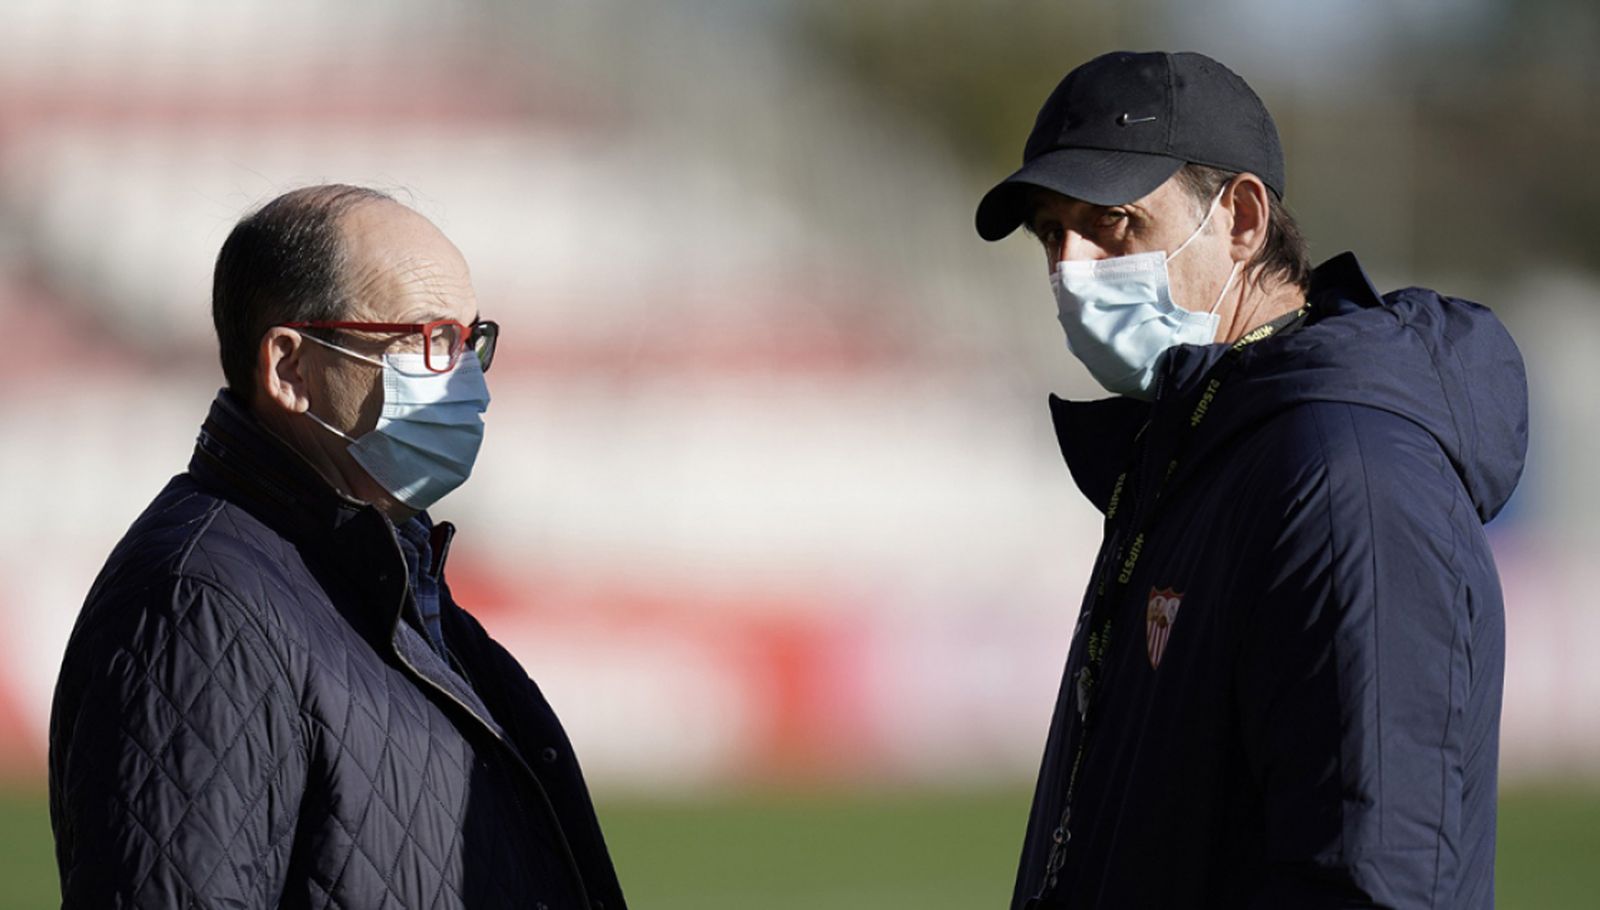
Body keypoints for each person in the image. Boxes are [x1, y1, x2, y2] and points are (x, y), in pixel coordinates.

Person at [974, 51, 1527, 908]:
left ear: (1240, 217)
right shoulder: (1194, 450)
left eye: (1112, 222)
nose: (1070, 268)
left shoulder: (1347, 475)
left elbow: (1377, 878)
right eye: (1053, 233)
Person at [49, 185, 626, 909]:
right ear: (290, 368)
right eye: (427, 339)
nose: (466, 378)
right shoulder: (198, 603)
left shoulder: (383, 574)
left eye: (470, 340)